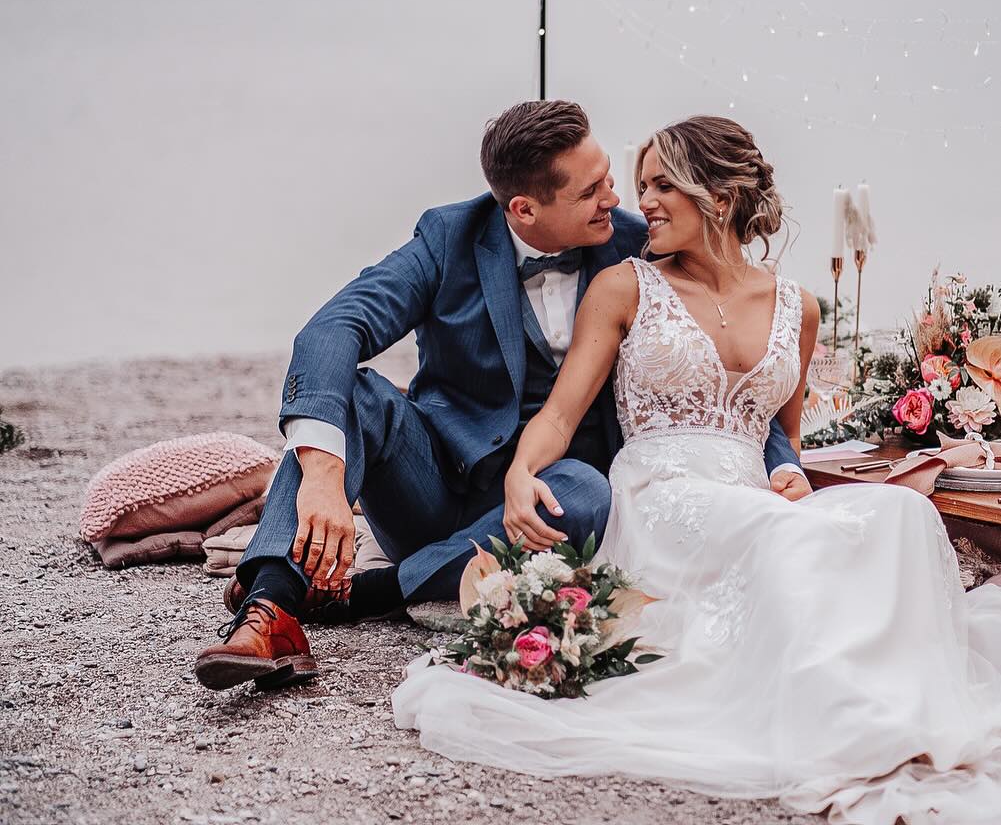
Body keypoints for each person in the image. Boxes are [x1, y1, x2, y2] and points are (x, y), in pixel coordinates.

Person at [391, 116, 1001, 824]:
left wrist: (789, 476)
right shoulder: (624, 287)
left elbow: (781, 437)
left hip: (749, 492)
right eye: (638, 184)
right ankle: (852, 722)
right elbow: (558, 414)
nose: (639, 202)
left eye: (660, 186)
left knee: (903, 515)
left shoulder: (799, 306)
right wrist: (523, 474)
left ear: (719, 199)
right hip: (661, 496)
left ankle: (891, 706)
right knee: (794, 544)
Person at [193, 101, 811, 692]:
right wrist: (323, 478)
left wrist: (780, 459)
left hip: (552, 501)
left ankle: (375, 592)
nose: (618, 199)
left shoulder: (639, 243)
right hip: (431, 487)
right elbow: (334, 330)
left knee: (589, 492)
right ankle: (268, 610)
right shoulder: (448, 238)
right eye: (592, 191)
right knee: (355, 393)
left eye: (609, 179)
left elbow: (727, 379)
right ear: (523, 209)